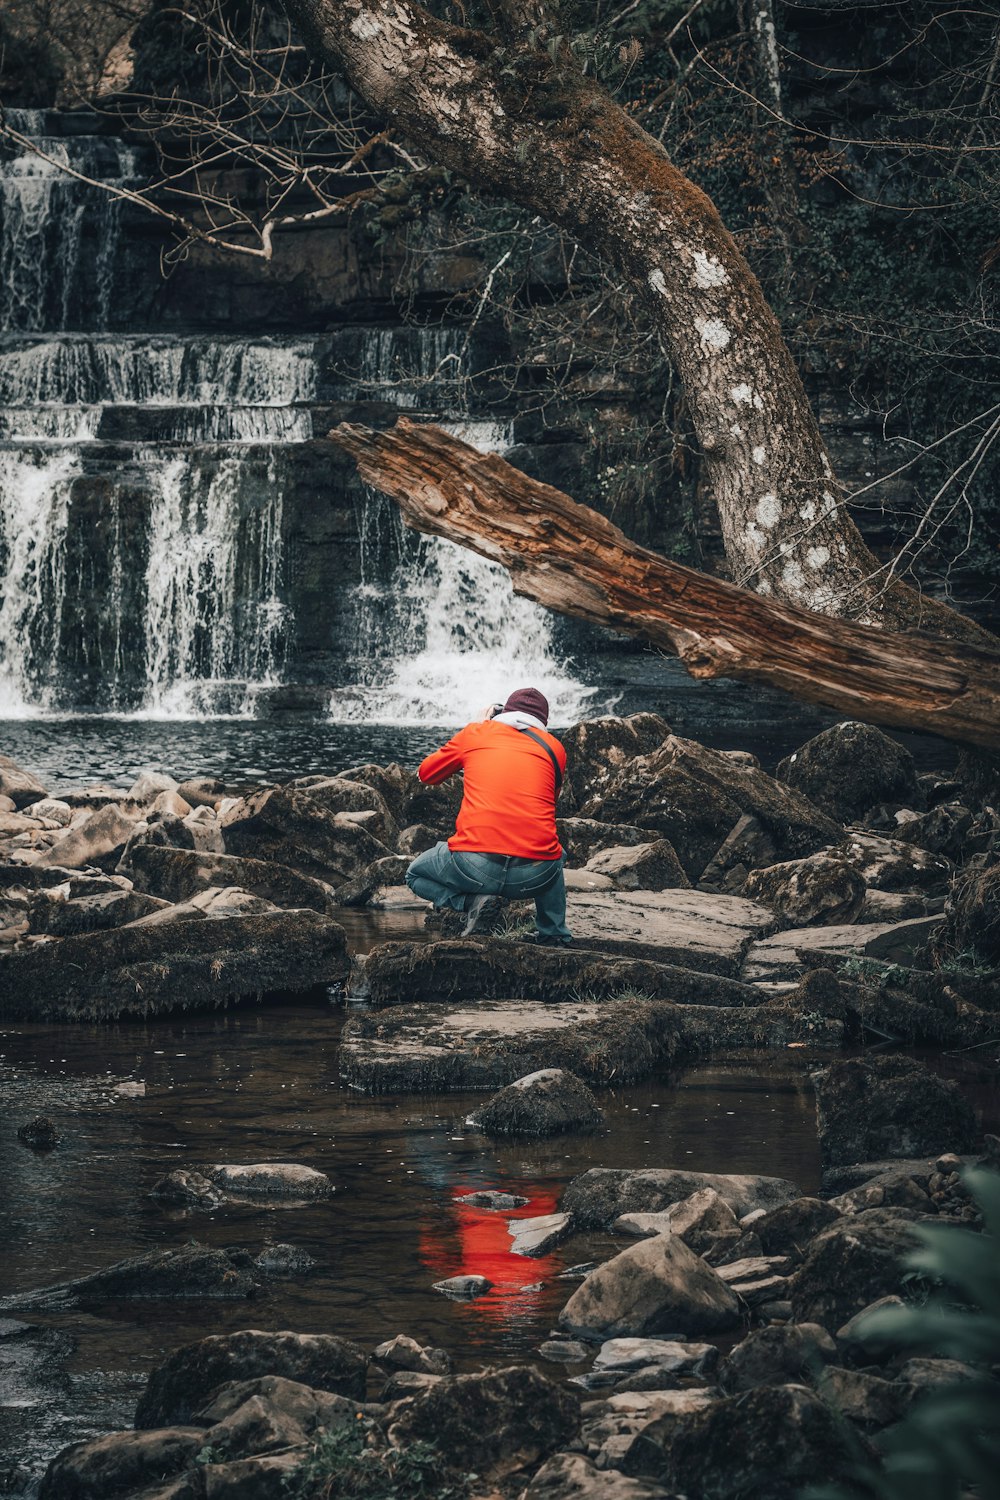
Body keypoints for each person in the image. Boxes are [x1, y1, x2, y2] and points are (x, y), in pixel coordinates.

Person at [404, 686, 572, 946]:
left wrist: (480, 724)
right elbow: (551, 800)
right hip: (533, 877)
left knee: (414, 874)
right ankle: (555, 934)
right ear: (542, 722)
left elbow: (426, 773)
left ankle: (472, 902)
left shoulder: (476, 732)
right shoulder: (555, 749)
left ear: (504, 713)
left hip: (473, 868)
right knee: (554, 852)